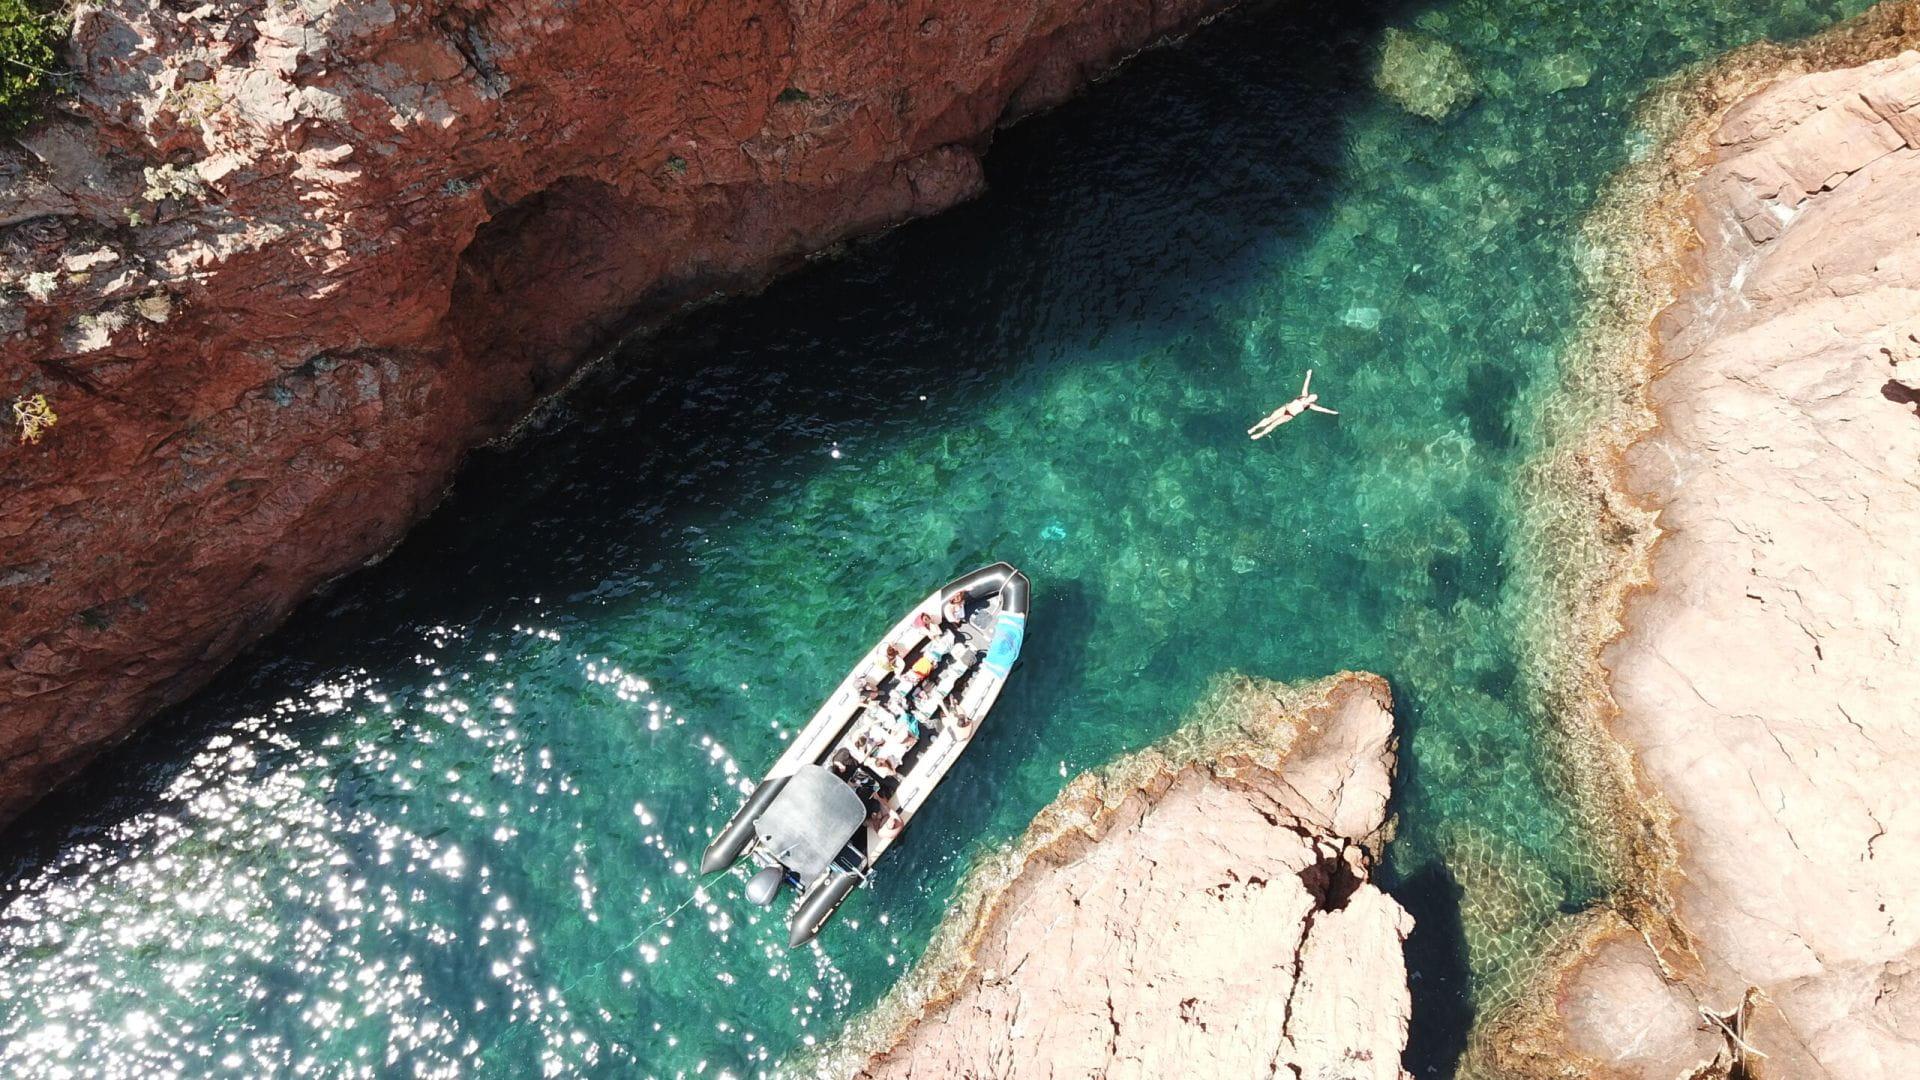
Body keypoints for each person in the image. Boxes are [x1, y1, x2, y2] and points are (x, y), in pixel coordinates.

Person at [1248, 369, 1338, 440]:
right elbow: (1306, 384)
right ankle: (1255, 428)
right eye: (1312, 396)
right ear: (1310, 395)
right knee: (1270, 418)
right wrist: (1309, 375)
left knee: (1273, 424)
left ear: (1313, 401)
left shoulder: (1310, 406)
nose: (1312, 398)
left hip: (1289, 415)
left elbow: (1322, 409)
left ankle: (1260, 434)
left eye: (1314, 398)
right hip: (1285, 408)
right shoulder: (1303, 395)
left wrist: (1332, 412)